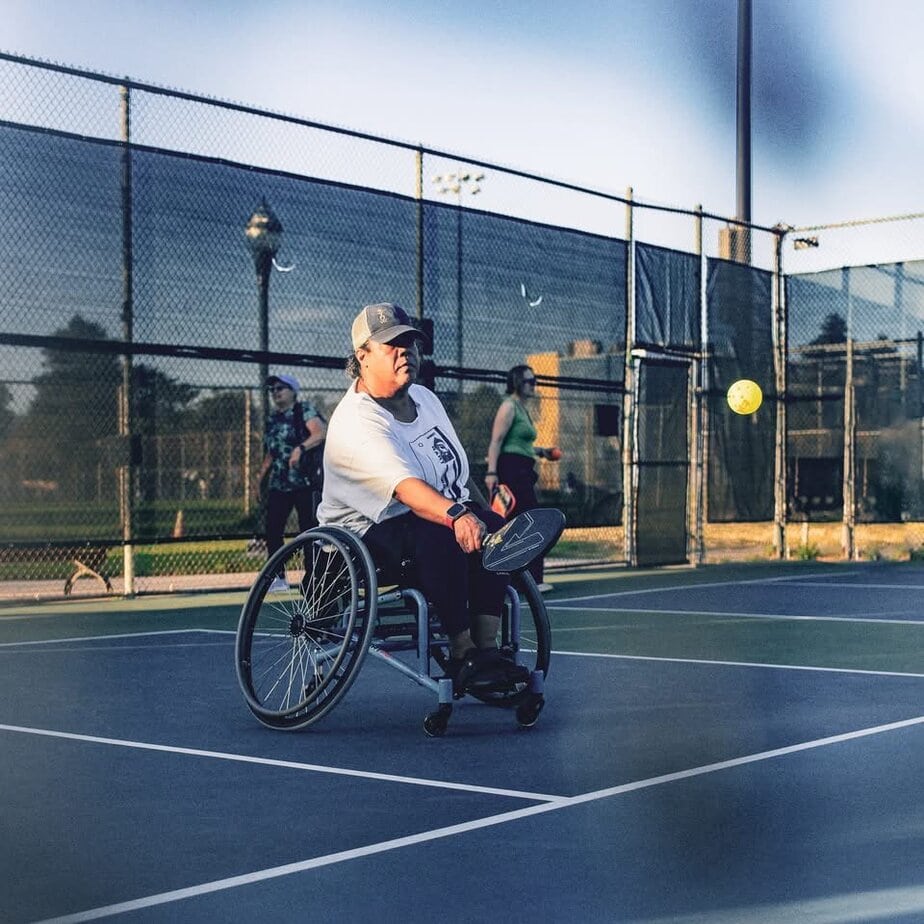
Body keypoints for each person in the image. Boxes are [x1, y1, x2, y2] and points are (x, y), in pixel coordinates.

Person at [317, 302, 511, 685]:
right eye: (392, 345)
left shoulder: (426, 399)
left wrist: (485, 517)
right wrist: (457, 516)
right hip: (363, 534)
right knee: (440, 532)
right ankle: (461, 650)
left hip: (427, 515)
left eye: (410, 343)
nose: (406, 352)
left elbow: (458, 476)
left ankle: (487, 650)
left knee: (498, 532)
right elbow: (406, 490)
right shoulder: (358, 420)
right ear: (363, 357)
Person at [485, 364, 557, 592]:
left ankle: (522, 580)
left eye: (534, 380)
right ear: (516, 382)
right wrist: (491, 473)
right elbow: (496, 442)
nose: (533, 385)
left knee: (524, 522)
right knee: (528, 522)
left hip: (523, 469)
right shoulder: (508, 407)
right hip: (511, 470)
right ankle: (530, 581)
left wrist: (542, 452)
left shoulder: (522, 409)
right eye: (529, 381)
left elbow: (521, 444)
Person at [256, 373, 327, 592]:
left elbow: (321, 433)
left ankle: (313, 578)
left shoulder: (303, 410)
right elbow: (271, 452)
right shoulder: (272, 419)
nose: (276, 393)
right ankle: (278, 578)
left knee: (308, 531)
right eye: (273, 390)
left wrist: (300, 448)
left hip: (304, 482)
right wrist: (259, 479)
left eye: (281, 388)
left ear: (292, 391)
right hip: (279, 484)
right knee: (273, 530)